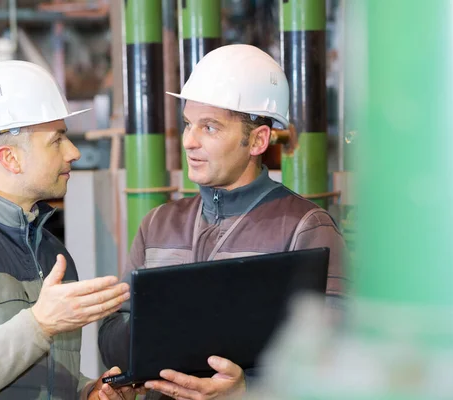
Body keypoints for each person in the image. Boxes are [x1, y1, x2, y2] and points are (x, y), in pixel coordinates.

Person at [98, 44, 346, 400]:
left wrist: (247, 390)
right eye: (187, 124)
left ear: (258, 140)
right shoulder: (159, 224)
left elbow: (335, 356)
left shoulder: (305, 228)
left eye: (210, 128)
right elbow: (113, 331)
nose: (189, 141)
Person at [0, 60, 140, 400]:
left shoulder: (53, 252)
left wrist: (86, 392)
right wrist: (39, 324)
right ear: (12, 159)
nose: (74, 152)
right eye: (57, 140)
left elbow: (42, 376)